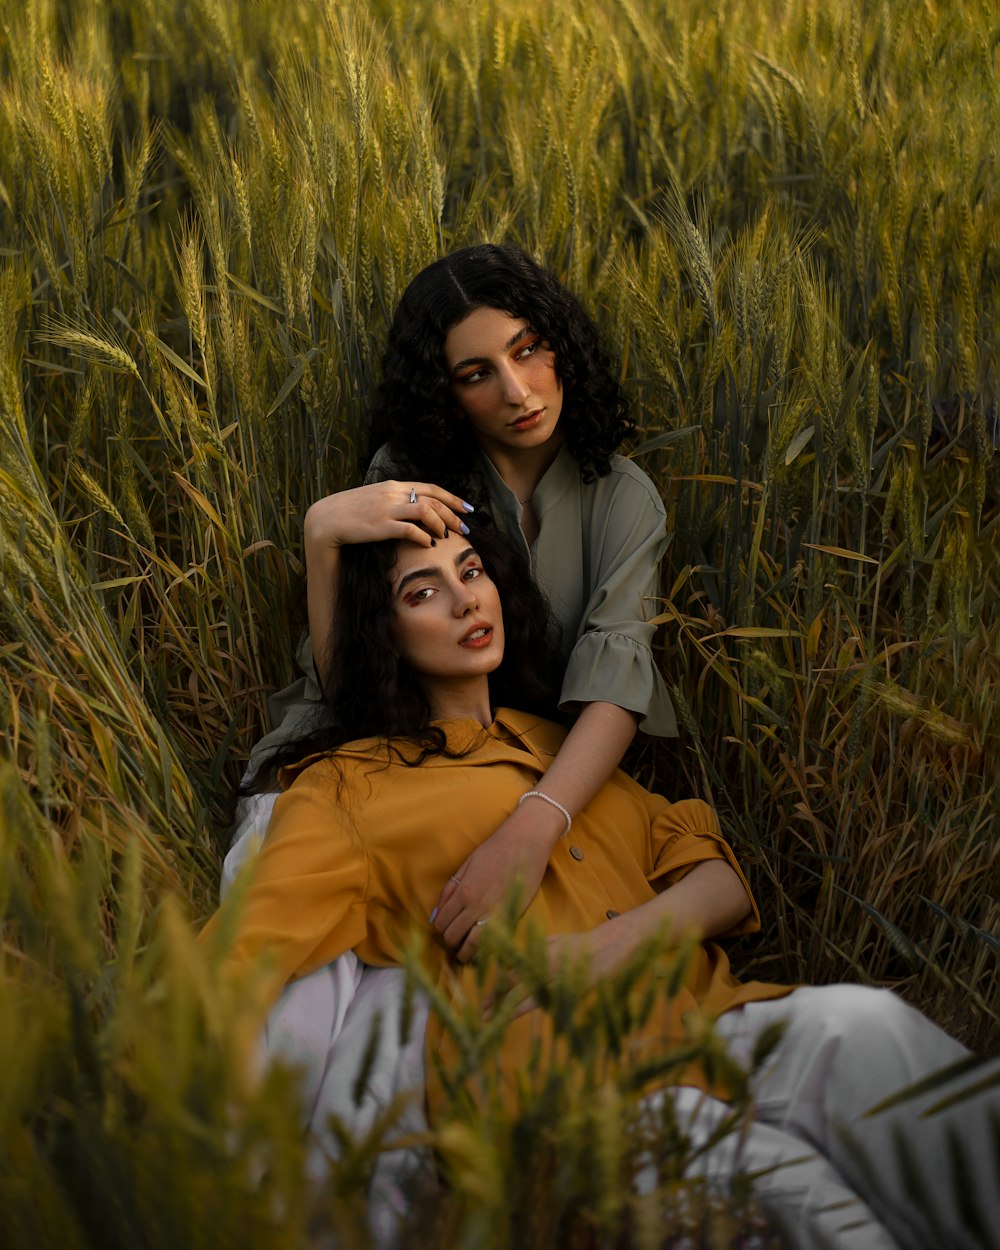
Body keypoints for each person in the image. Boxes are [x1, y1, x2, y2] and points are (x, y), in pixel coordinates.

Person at [209, 527, 999, 1250]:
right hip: (566, 1081)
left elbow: (717, 877)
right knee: (798, 1202)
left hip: (710, 1018)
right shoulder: (348, 788)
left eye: (472, 571)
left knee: (868, 1026)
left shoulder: (566, 747)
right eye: (423, 592)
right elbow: (246, 952)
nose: (464, 601)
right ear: (383, 633)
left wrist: (606, 947)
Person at [245, 243, 677, 957]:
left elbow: (616, 681)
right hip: (369, 774)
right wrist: (321, 536)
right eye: (477, 374)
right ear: (446, 394)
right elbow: (351, 687)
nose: (517, 391)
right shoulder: (410, 478)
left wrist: (535, 823)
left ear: (560, 342)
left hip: (522, 779)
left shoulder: (623, 497)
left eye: (529, 348)